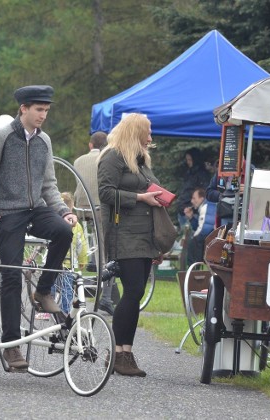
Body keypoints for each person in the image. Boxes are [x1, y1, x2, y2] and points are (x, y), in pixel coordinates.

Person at [0, 84, 76, 371]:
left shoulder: (45, 141)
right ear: (24, 109)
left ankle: (43, 292)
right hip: (6, 211)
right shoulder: (2, 137)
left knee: (63, 232)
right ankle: (12, 345)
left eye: (46, 110)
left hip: (36, 208)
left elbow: (49, 185)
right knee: (12, 275)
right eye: (39, 110)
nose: (43, 115)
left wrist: (63, 211)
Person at [98, 113, 163, 377]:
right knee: (133, 291)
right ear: (134, 132)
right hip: (123, 234)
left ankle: (125, 352)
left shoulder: (140, 160)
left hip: (144, 235)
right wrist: (141, 198)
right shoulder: (113, 156)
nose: (150, 138)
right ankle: (117, 353)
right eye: (146, 132)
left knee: (135, 295)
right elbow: (105, 192)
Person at [73, 131, 117, 315]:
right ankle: (106, 294)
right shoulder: (107, 159)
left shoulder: (78, 161)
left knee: (93, 244)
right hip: (99, 208)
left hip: (80, 209)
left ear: (91, 145)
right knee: (105, 250)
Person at [52, 192, 88, 314]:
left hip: (53, 261)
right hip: (69, 262)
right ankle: (65, 311)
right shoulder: (76, 225)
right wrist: (83, 260)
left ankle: (46, 310)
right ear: (72, 207)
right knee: (67, 289)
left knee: (50, 284)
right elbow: (81, 245)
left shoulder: (53, 221)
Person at [176, 147, 211, 230]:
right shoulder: (189, 172)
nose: (188, 162)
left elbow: (203, 194)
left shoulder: (202, 175)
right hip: (183, 209)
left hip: (191, 211)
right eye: (187, 160)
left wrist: (193, 208)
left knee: (190, 236)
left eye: (190, 160)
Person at [184, 188, 216, 266]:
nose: (192, 201)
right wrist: (191, 217)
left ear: (201, 198)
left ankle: (193, 270)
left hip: (209, 239)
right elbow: (199, 227)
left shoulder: (206, 207)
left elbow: (204, 230)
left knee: (193, 244)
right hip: (209, 237)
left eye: (194, 198)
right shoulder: (203, 207)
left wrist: (193, 238)